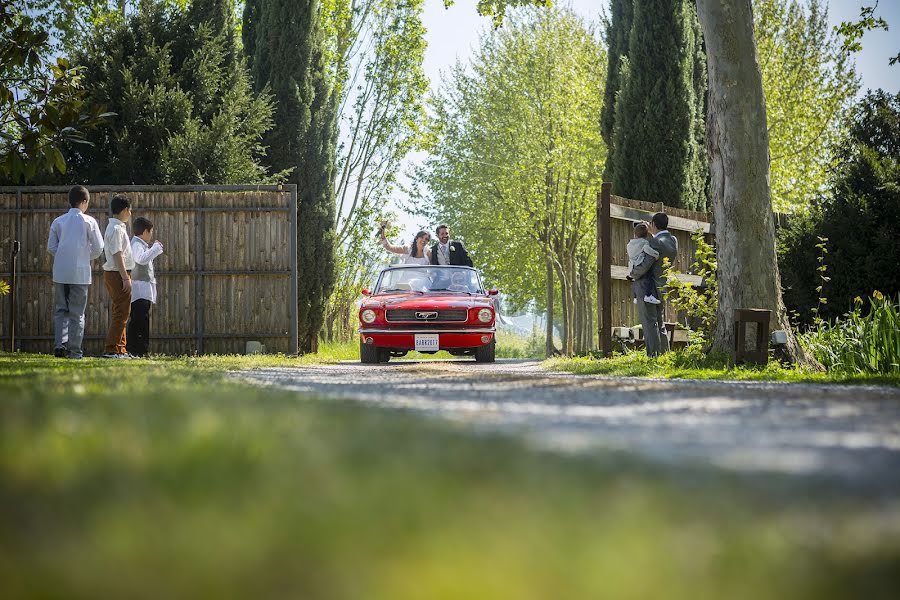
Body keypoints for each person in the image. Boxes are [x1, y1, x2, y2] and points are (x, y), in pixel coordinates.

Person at [46, 185, 104, 359]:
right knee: (77, 313)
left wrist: (64, 254)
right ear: (84, 202)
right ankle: (75, 351)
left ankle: (59, 345)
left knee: (60, 310)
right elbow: (99, 248)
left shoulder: (58, 221)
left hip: (60, 272)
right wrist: (85, 256)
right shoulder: (89, 221)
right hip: (80, 273)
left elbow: (51, 247)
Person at [630, 212, 678, 356]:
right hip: (662, 285)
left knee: (649, 323)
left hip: (647, 287)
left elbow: (646, 265)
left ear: (654, 224)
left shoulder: (654, 242)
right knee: (659, 322)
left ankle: (653, 355)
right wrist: (653, 233)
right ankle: (664, 354)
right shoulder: (672, 240)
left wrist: (632, 274)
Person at [102, 194, 135, 359]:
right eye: (129, 210)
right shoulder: (115, 229)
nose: (130, 213)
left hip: (118, 273)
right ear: (124, 210)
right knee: (121, 312)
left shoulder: (118, 228)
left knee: (122, 311)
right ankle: (112, 349)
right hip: (117, 274)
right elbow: (117, 254)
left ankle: (120, 348)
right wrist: (124, 278)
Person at [126, 217, 164, 357]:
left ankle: (138, 349)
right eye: (151, 231)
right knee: (139, 319)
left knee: (142, 318)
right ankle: (137, 349)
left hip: (143, 288)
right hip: (139, 289)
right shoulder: (136, 244)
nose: (151, 234)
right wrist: (155, 248)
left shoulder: (140, 244)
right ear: (146, 231)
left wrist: (153, 250)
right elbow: (141, 259)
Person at [626, 223, 661, 305]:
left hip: (632, 267)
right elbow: (648, 250)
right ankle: (648, 295)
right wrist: (656, 255)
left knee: (635, 281)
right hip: (640, 264)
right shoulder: (644, 243)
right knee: (649, 277)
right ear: (646, 235)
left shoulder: (630, 244)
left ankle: (635, 297)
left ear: (635, 234)